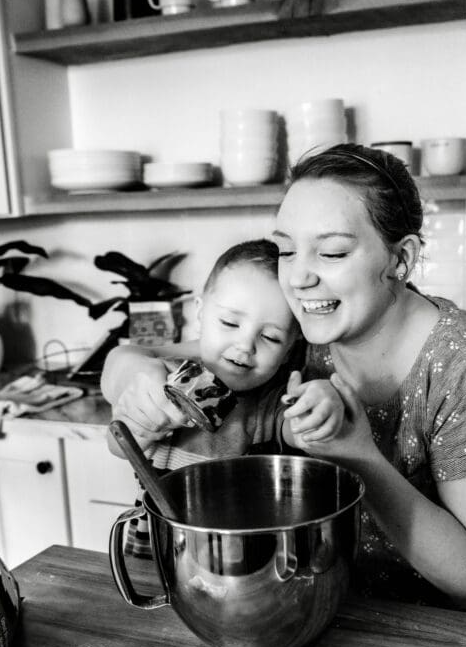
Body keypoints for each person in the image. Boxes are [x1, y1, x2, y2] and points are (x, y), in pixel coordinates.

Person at [103, 146, 466, 628]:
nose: (299, 276)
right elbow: (139, 358)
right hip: (357, 624)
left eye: (331, 252)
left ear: (401, 258)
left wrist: (358, 456)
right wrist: (138, 379)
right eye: (287, 249)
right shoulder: (299, 335)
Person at [102, 238, 342, 555]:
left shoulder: (274, 400)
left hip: (243, 556)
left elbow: (298, 429)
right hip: (160, 545)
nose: (245, 345)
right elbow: (119, 444)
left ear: (288, 350)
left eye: (270, 337)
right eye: (229, 322)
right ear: (200, 311)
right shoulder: (169, 377)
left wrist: (318, 407)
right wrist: (142, 423)